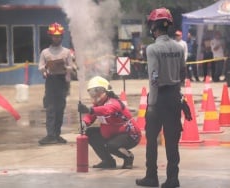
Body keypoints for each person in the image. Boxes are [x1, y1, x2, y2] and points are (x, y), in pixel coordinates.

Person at [136, 8, 185, 188]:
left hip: (159, 98)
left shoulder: (153, 48)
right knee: (172, 141)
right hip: (173, 96)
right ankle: (173, 179)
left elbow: (154, 77)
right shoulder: (179, 48)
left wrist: (152, 104)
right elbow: (182, 72)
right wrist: (177, 95)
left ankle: (152, 177)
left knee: (152, 140)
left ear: (154, 26)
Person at [78, 76, 141, 169]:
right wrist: (84, 123)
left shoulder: (114, 103)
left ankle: (128, 157)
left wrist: (89, 109)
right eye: (92, 92)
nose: (95, 94)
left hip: (130, 134)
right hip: (112, 134)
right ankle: (108, 161)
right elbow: (91, 116)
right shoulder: (98, 105)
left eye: (98, 91)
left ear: (106, 91)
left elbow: (106, 110)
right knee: (90, 133)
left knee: (111, 145)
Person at [38, 22, 73, 145]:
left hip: (62, 82)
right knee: (50, 109)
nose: (56, 38)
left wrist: (65, 67)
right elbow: (40, 67)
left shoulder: (67, 52)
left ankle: (57, 135)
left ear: (61, 37)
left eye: (58, 36)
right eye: (54, 36)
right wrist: (46, 69)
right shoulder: (45, 52)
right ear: (50, 36)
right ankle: (50, 135)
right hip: (51, 82)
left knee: (60, 109)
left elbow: (71, 67)